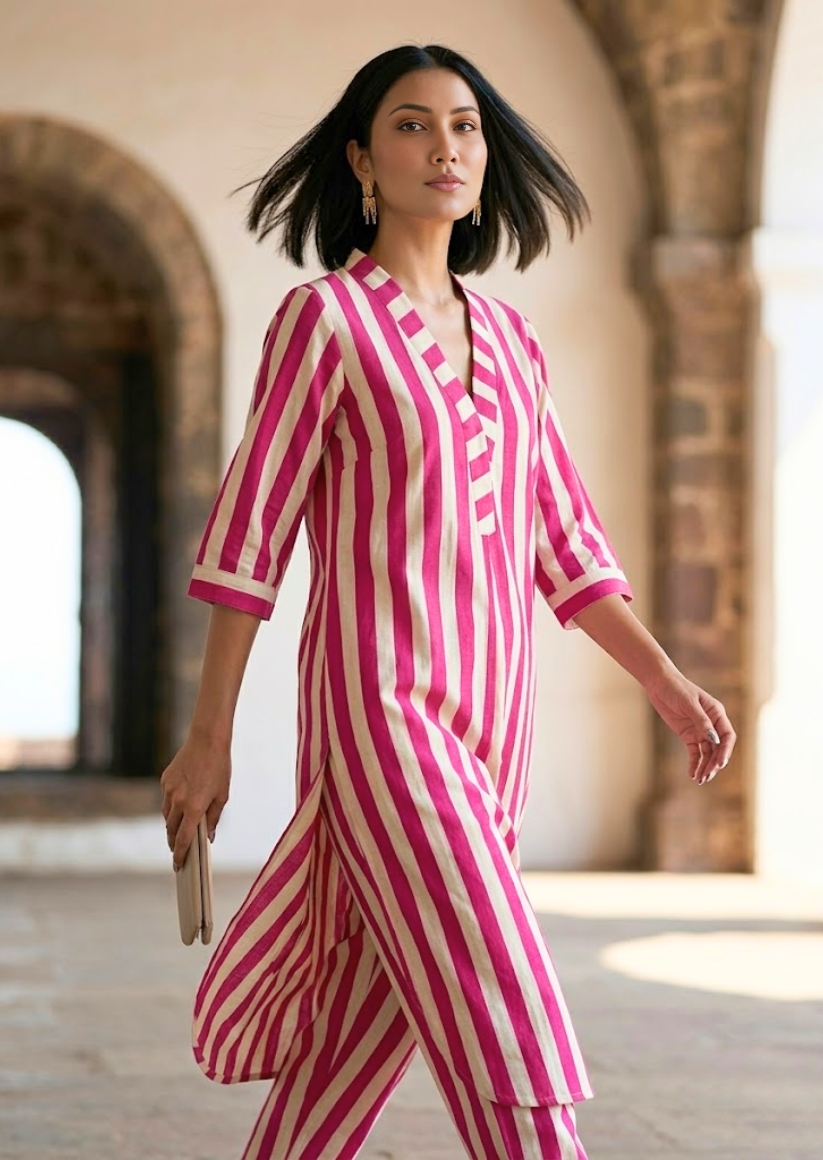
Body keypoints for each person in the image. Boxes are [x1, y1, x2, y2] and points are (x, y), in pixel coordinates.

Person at [160, 42, 736, 1160]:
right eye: (412, 124)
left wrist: (665, 681)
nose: (446, 147)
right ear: (362, 160)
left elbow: (567, 546)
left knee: (358, 1032)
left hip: (494, 732)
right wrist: (208, 736)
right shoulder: (324, 321)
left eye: (465, 125)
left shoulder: (514, 345)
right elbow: (248, 539)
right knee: (501, 996)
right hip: (380, 718)